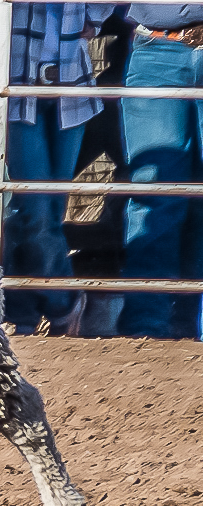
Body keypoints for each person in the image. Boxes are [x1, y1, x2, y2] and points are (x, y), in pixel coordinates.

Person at [4, 2, 112, 335]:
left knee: (48, 212)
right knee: (33, 209)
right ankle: (62, 303)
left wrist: (95, 17)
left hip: (71, 84)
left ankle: (21, 314)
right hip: (17, 85)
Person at [118, 3, 203, 339]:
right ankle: (146, 329)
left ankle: (185, 323)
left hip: (159, 52)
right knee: (156, 191)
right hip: (158, 49)